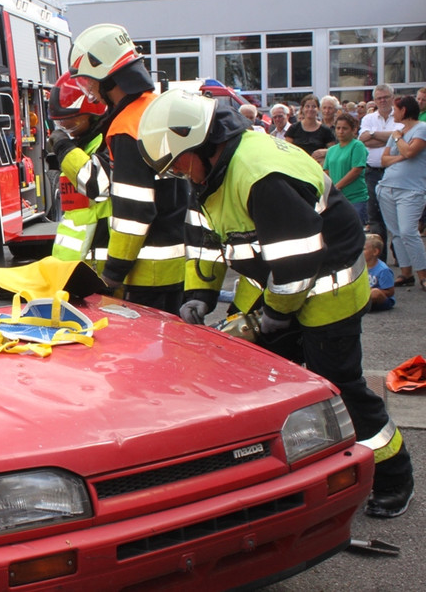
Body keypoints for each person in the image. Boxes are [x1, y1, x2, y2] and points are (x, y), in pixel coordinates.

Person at [138, 88, 415, 519]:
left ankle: (394, 476)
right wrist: (199, 295)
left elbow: (299, 262)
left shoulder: (259, 173)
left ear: (198, 145)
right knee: (265, 386)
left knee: (340, 387)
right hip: (279, 287)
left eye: (176, 162)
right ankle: (288, 474)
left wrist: (274, 317)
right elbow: (208, 244)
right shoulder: (211, 172)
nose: (176, 173)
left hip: (329, 292)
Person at [66, 23, 187, 312]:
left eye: (87, 81)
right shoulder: (155, 109)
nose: (89, 90)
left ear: (106, 76)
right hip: (180, 263)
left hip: (148, 274)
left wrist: (112, 275)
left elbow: (135, 212)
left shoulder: (127, 127)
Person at [44, 72, 111, 269]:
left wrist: (63, 147)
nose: (64, 127)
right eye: (60, 123)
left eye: (71, 122)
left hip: (101, 262)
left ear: (94, 113)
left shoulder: (107, 142)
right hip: (74, 265)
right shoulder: (82, 146)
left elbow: (96, 183)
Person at [376, 94, 426, 290]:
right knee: (396, 233)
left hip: (411, 189)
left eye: (395, 110)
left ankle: (422, 273)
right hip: (388, 187)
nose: (393, 113)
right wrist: (401, 155)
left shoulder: (421, 128)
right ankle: (406, 273)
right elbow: (384, 160)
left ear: (404, 110)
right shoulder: (397, 132)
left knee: (408, 231)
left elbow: (410, 152)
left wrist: (399, 141)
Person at [359, 84, 400, 260]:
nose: (382, 100)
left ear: (392, 97)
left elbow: (402, 139)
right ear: (374, 100)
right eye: (379, 98)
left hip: (395, 171)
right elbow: (362, 140)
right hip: (372, 172)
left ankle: (401, 259)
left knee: (398, 217)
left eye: (385, 97)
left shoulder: (400, 116)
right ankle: (380, 259)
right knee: (375, 217)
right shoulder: (368, 118)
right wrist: (391, 137)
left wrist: (373, 135)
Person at [322, 112, 369, 224]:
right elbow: (326, 171)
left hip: (355, 199)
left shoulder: (357, 146)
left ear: (353, 130)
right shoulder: (332, 150)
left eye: (345, 128)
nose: (341, 131)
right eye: (338, 128)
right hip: (336, 200)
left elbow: (356, 170)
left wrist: (337, 187)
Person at [285, 94, 334, 162]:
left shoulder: (325, 130)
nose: (310, 109)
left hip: (317, 166)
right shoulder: (294, 128)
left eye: (314, 106)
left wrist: (326, 151)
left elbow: (334, 150)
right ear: (302, 109)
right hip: (297, 165)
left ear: (318, 109)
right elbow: (286, 149)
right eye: (307, 106)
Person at [364, 234, 395, 311]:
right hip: (364, 295)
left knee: (375, 293)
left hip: (381, 300)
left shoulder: (383, 270)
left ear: (375, 252)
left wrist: (369, 291)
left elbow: (390, 292)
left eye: (363, 249)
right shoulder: (360, 266)